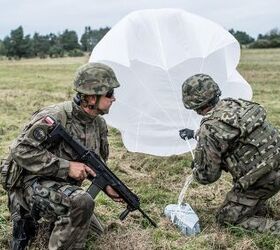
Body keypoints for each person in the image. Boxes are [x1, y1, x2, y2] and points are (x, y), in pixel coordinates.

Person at [1, 62, 122, 249]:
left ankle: (52, 222)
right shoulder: (55, 117)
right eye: (109, 94)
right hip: (31, 185)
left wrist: (106, 186)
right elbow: (20, 150)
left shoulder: (98, 125)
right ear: (90, 97)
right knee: (82, 203)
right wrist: (66, 167)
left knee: (96, 233)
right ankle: (25, 216)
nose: (114, 99)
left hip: (63, 187)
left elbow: (95, 164)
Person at [179, 73, 280, 234]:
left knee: (226, 219)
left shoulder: (209, 128)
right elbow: (230, 131)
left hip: (263, 178)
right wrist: (195, 134)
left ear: (194, 105)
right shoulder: (235, 104)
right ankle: (257, 201)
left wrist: (198, 166)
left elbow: (208, 177)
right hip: (276, 162)